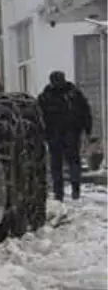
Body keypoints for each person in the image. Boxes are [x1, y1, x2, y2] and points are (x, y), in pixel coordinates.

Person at [39, 70, 93, 202]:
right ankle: (74, 188)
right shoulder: (74, 94)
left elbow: (39, 116)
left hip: (57, 134)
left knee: (57, 164)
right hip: (70, 133)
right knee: (72, 161)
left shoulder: (46, 96)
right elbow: (85, 111)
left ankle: (60, 193)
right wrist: (87, 130)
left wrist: (42, 134)